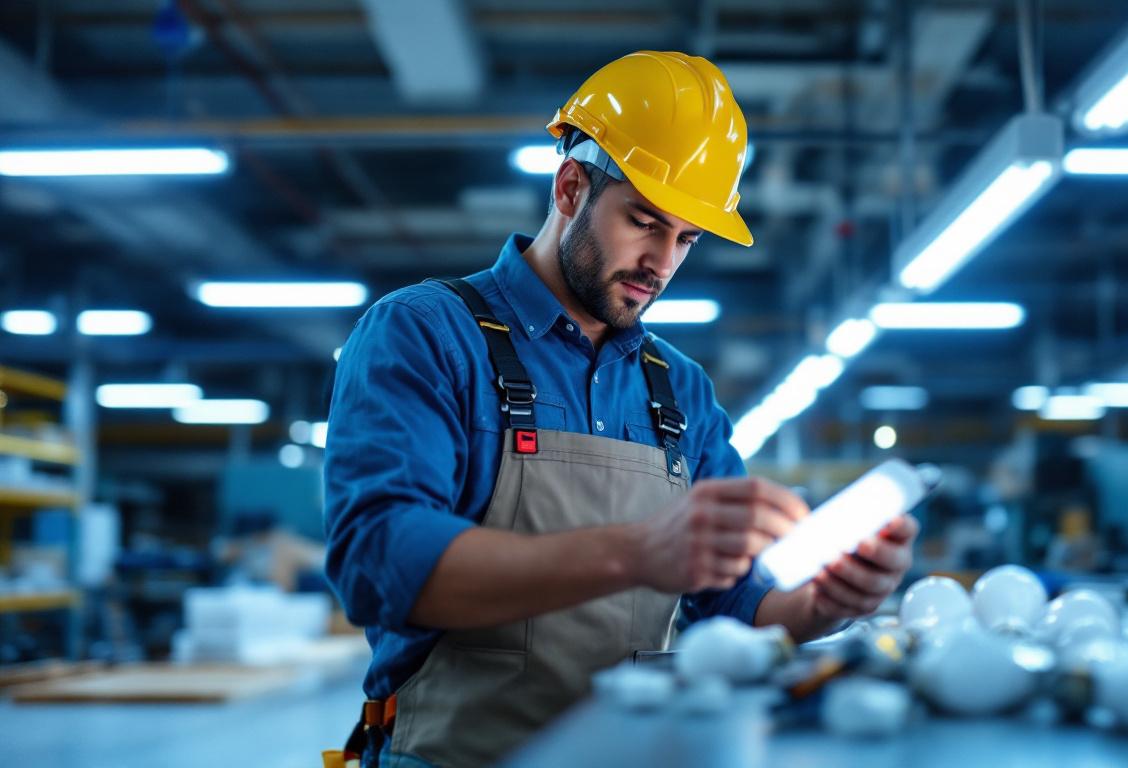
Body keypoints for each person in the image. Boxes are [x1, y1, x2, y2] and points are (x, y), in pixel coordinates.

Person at [323, 50, 919, 768]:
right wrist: (637, 553)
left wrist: (827, 604)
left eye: (686, 239)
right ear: (571, 186)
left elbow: (737, 605)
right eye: (644, 221)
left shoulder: (681, 389)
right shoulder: (426, 333)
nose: (661, 263)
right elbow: (377, 562)